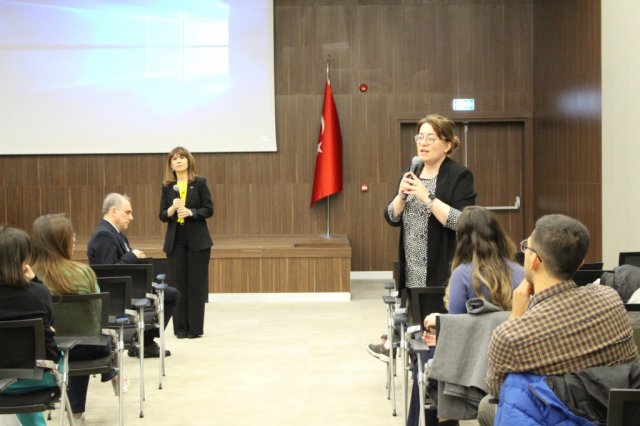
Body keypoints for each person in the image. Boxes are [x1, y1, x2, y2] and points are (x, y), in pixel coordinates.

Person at [478, 214, 638, 426]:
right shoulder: (611, 299)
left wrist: (516, 316)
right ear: (580, 263)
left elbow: (497, 392)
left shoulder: (511, 336)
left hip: (556, 418)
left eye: (526, 247)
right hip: (614, 415)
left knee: (486, 407)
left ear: (535, 260)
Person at [367, 113, 476, 361]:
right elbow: (391, 217)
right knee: (415, 329)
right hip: (412, 267)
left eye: (430, 138)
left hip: (441, 265)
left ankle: (432, 372)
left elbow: (462, 221)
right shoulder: (412, 171)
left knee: (435, 333)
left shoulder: (459, 175)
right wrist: (401, 196)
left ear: (447, 145)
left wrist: (427, 197)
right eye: (420, 137)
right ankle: (409, 358)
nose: (423, 143)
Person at [408, 206, 525, 426]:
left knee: (423, 359)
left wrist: (441, 330)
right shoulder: (521, 273)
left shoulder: (463, 274)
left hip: (472, 362)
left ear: (462, 239)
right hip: (514, 357)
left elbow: (458, 330)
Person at [30, 213, 124, 425]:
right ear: (60, 241)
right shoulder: (84, 273)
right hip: (88, 350)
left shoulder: (27, 278)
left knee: (69, 341)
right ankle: (79, 409)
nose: (74, 238)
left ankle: (78, 409)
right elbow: (97, 316)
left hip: (42, 353)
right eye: (70, 235)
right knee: (84, 337)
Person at [87, 193, 180, 358]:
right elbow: (109, 272)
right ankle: (144, 342)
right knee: (170, 295)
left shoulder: (116, 233)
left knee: (169, 294)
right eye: (127, 212)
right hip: (116, 293)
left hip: (128, 287)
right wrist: (132, 256)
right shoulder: (104, 235)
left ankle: (144, 341)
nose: (131, 217)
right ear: (114, 211)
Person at [0, 226, 61, 426]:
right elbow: (51, 323)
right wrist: (36, 281)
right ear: (23, 259)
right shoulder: (38, 294)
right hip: (37, 380)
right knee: (44, 358)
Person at [159, 146, 213, 339]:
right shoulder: (167, 186)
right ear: (170, 165)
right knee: (177, 284)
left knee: (196, 284)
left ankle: (195, 329)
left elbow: (208, 209)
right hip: (176, 240)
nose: (178, 161)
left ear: (189, 161)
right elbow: (162, 215)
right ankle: (180, 329)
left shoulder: (199, 183)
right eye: (174, 159)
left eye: (182, 157)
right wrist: (171, 210)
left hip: (197, 239)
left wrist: (191, 212)